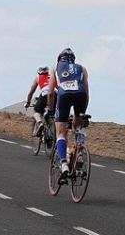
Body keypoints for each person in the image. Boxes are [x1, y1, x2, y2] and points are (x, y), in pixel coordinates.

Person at [47, 48, 89, 176]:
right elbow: (87, 94)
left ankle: (64, 164)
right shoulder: (82, 68)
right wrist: (82, 115)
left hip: (64, 95)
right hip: (81, 95)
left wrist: (50, 110)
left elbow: (50, 93)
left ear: (60, 58)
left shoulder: (55, 67)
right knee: (78, 127)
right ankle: (80, 155)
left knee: (60, 133)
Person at [25, 66, 51, 136]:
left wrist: (28, 102)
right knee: (52, 112)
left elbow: (31, 93)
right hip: (56, 94)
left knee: (37, 110)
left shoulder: (38, 78)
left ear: (38, 72)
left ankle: (40, 123)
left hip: (45, 94)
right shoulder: (52, 77)